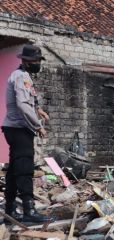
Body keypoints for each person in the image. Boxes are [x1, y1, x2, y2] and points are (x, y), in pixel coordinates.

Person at [1, 44, 53, 224]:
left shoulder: (24, 76)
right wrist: (38, 125)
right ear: (25, 61)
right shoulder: (21, 77)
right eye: (35, 61)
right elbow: (23, 105)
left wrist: (38, 109)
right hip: (18, 128)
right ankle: (29, 211)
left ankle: (9, 210)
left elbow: (28, 101)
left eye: (39, 60)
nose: (37, 63)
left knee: (15, 170)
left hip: (15, 128)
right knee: (24, 169)